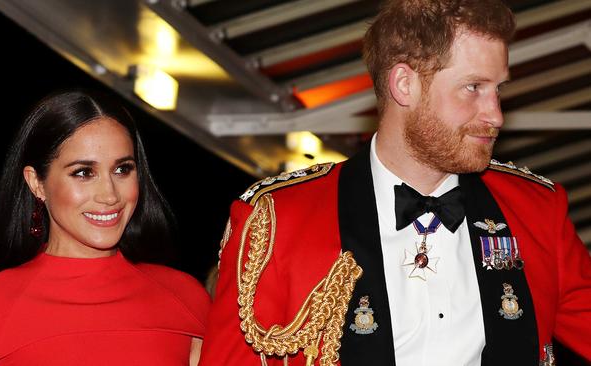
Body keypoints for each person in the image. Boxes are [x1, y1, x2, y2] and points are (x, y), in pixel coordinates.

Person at [199, 1, 591, 365]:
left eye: (498, 89)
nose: (496, 115)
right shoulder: (279, 219)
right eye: (474, 88)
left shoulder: (537, 210)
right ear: (404, 84)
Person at [0, 90, 210, 365]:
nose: (109, 195)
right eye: (83, 172)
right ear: (37, 183)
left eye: (122, 169)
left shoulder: (185, 297)